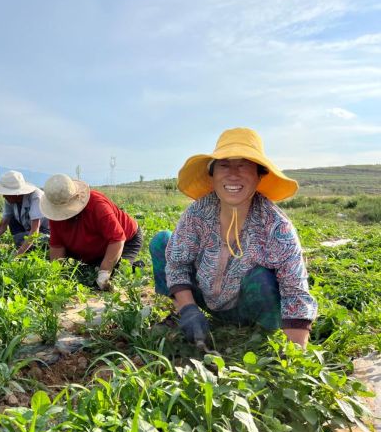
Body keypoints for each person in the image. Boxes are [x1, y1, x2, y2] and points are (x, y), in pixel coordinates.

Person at [150, 128, 317, 348]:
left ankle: (256, 334)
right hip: (203, 297)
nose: (233, 174)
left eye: (243, 165)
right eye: (224, 165)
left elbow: (295, 291)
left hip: (247, 308)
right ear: (213, 175)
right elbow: (177, 263)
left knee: (263, 279)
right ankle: (184, 314)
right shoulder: (197, 213)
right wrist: (188, 308)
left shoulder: (277, 227)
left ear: (259, 175)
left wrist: (297, 353)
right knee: (162, 242)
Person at [40, 174, 143, 290]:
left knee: (116, 275)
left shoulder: (97, 204)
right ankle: (97, 264)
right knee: (88, 275)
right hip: (93, 247)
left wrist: (105, 272)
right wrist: (57, 277)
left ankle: (136, 267)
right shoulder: (56, 215)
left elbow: (117, 239)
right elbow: (57, 247)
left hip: (126, 241)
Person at [0, 170, 50, 255]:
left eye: (6, 193)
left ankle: (26, 246)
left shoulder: (36, 197)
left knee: (26, 240)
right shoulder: (9, 199)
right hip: (27, 230)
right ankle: (24, 245)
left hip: (45, 232)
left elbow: (35, 231)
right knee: (11, 220)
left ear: (16, 194)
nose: (3, 196)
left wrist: (18, 255)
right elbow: (2, 226)